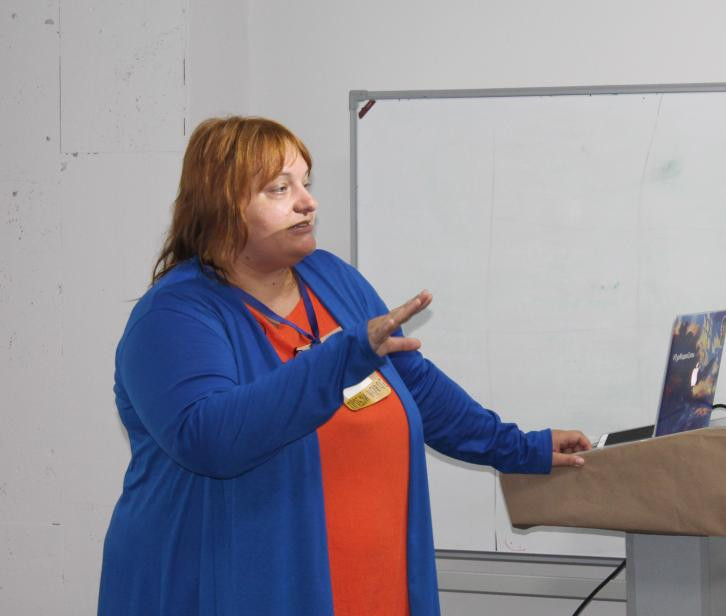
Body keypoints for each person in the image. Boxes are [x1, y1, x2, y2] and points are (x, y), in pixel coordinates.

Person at [97, 116, 592, 616]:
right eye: (279, 188)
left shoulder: (332, 278)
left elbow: (416, 387)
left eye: (305, 184)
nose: (307, 202)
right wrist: (341, 359)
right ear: (220, 205)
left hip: (374, 592)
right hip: (235, 592)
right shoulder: (173, 316)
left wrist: (518, 447)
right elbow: (210, 440)